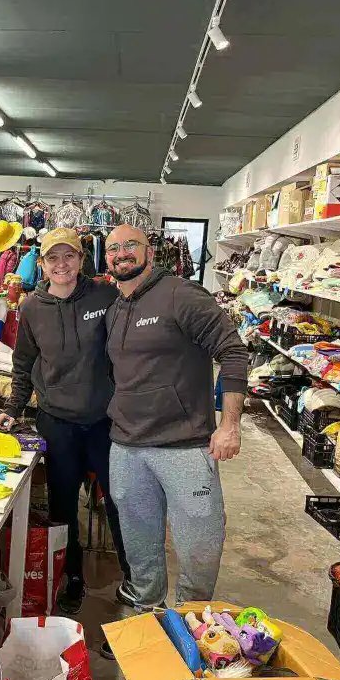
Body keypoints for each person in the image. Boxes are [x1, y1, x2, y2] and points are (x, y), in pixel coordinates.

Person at [102, 224, 246, 632]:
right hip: (127, 447)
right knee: (139, 544)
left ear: (150, 251)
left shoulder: (181, 295)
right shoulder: (115, 308)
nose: (121, 253)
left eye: (131, 245)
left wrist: (229, 424)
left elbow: (233, 351)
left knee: (200, 546)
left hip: (184, 447)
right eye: (113, 248)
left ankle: (191, 623)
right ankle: (147, 618)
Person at [0, 227, 132, 616]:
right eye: (52, 258)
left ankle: (135, 578)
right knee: (63, 506)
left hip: (105, 422)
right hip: (57, 423)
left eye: (69, 256)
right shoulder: (32, 308)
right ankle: (72, 577)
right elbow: (23, 363)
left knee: (121, 502)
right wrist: (13, 406)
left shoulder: (105, 295)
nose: (61, 264)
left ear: (81, 259)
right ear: (41, 264)